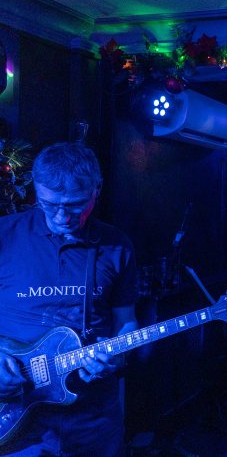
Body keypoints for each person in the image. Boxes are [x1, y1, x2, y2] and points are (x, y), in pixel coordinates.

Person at [0, 142, 138, 455]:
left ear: (96, 190)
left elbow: (126, 322)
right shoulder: (4, 235)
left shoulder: (117, 246)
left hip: (92, 416)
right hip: (15, 410)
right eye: (49, 204)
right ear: (36, 188)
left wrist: (116, 356)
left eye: (76, 205)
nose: (62, 217)